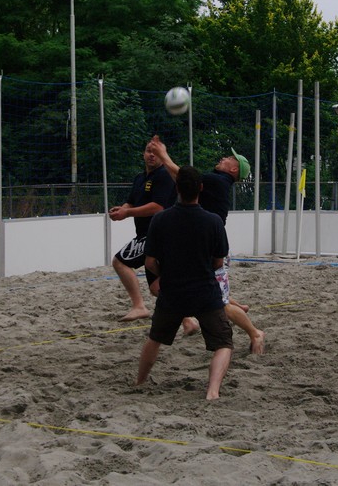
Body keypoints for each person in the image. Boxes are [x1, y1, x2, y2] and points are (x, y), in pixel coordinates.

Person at [148, 135, 266, 355]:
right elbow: (183, 180)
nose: (224, 158)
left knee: (220, 305)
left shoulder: (217, 181)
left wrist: (163, 155)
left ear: (234, 169)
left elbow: (183, 177)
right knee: (197, 290)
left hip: (211, 251)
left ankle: (255, 333)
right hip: (205, 248)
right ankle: (233, 305)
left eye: (229, 158)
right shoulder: (217, 182)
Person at [136, 165, 233, 400]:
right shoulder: (213, 221)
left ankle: (139, 382)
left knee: (155, 339)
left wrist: (165, 275)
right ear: (201, 188)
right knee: (223, 344)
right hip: (205, 292)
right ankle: (212, 391)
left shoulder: (160, 219)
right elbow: (218, 262)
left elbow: (149, 262)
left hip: (172, 292)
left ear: (177, 188)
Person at [109, 139, 177, 322]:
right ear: (143, 154)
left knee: (119, 262)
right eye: (148, 151)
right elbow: (131, 201)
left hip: (158, 235)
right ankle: (188, 320)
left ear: (163, 155)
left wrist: (127, 213)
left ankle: (139, 306)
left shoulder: (164, 175)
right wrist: (121, 209)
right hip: (147, 235)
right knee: (157, 287)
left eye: (156, 151)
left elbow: (158, 207)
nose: (151, 155)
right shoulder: (140, 178)